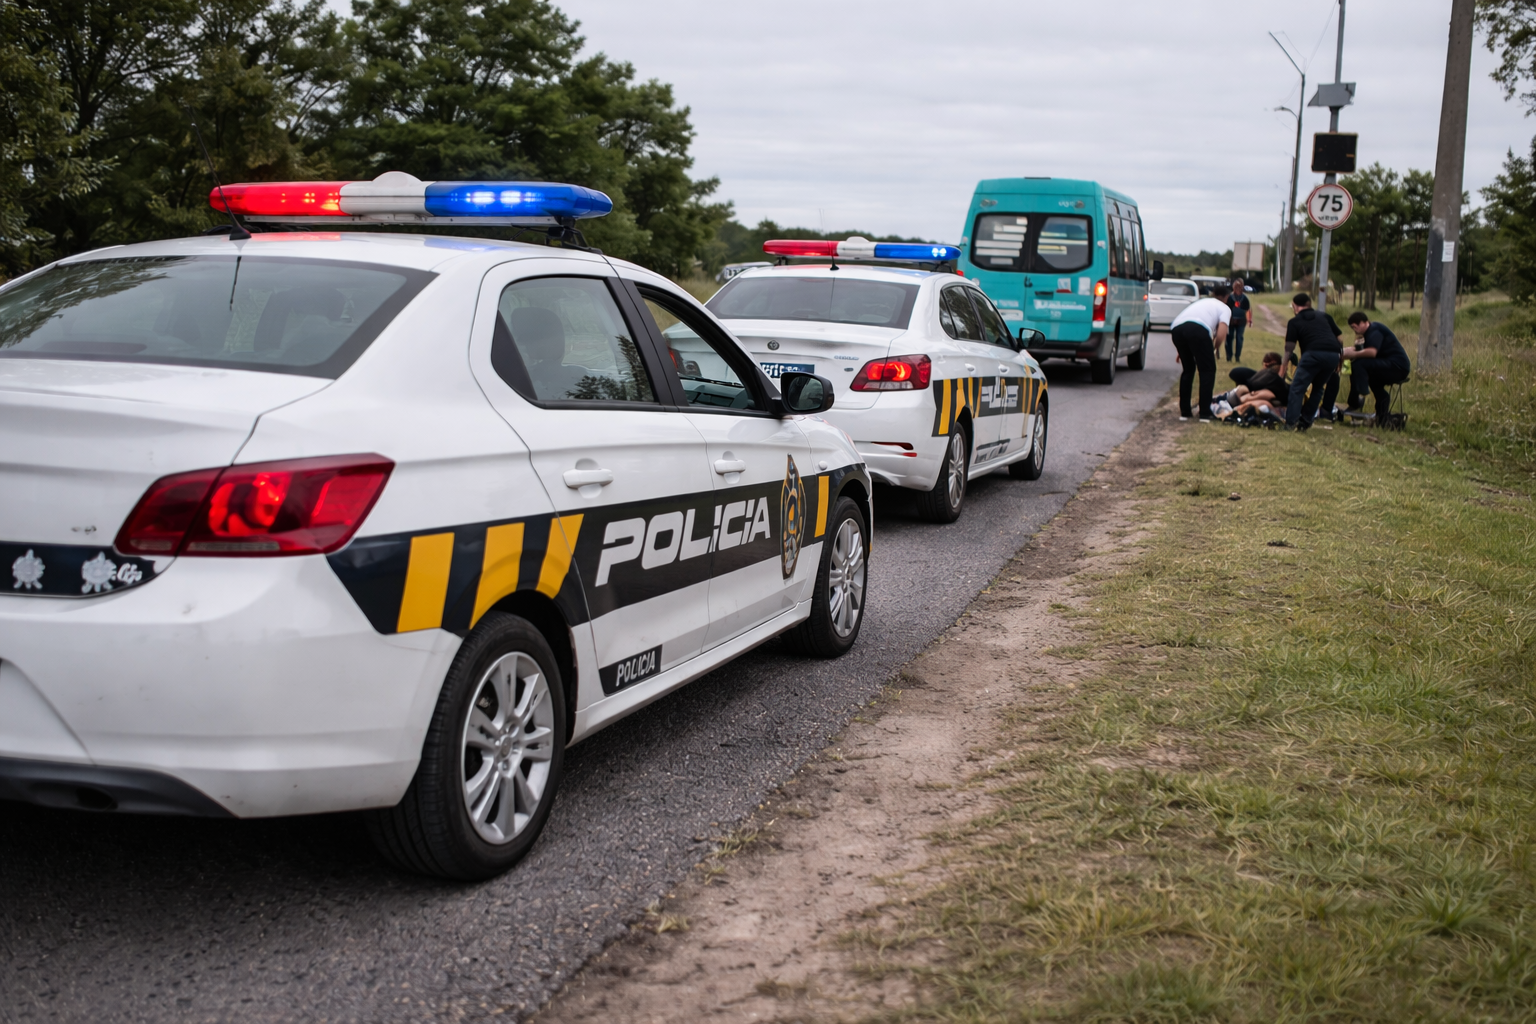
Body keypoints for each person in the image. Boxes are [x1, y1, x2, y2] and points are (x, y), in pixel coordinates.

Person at [1169, 283, 1231, 421]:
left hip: (1177, 329)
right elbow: (1222, 333)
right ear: (1226, 297)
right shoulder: (1224, 308)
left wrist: (1183, 350)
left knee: (1188, 369)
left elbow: (1188, 325)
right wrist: (1215, 348)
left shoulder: (1203, 302)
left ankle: (1185, 411)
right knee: (1207, 370)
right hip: (1198, 329)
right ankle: (1204, 412)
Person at [1282, 293, 1344, 431]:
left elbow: (1289, 348)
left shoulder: (1295, 321)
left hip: (1313, 355)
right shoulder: (1325, 316)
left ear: (1295, 306)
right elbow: (1339, 338)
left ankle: (1291, 423)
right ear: (1309, 304)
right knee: (1318, 387)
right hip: (1333, 355)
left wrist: (1283, 366)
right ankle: (1306, 421)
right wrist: (1339, 358)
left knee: (1297, 388)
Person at [1341, 312, 1411, 422]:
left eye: (1355, 327)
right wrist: (1343, 352)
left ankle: (1359, 396)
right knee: (1367, 374)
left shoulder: (1375, 331)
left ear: (1363, 323)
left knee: (1359, 364)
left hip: (1397, 367)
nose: (1354, 331)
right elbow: (1359, 350)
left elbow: (1372, 352)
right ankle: (1382, 416)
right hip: (1388, 365)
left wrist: (1352, 355)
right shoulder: (1369, 333)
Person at [1225, 277, 1252, 362]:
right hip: (1231, 320)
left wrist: (1249, 320)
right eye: (1236, 287)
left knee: (1239, 338)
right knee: (1230, 338)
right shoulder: (1230, 297)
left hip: (1241, 320)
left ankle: (1237, 357)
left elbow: (1248, 310)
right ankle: (1229, 356)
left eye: (1239, 287)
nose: (1238, 289)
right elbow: (1226, 309)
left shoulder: (1244, 298)